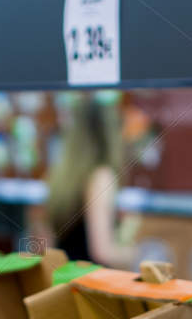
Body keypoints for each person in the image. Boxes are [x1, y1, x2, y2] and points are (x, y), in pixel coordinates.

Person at [45, 93, 133, 267]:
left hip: (65, 281)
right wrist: (140, 253)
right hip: (89, 285)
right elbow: (102, 252)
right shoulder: (101, 176)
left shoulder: (61, 176)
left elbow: (46, 243)